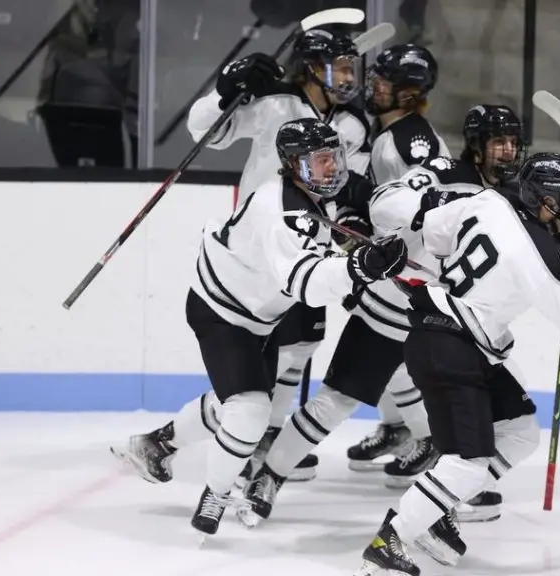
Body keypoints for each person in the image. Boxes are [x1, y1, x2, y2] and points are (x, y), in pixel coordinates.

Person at [235, 103, 528, 528]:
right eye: (497, 142)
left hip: (454, 320)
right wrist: (434, 209)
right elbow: (384, 202)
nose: (506, 151)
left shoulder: (512, 195)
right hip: (395, 305)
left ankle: (462, 485)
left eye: (513, 142)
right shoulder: (445, 171)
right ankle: (269, 476)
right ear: (477, 147)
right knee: (335, 402)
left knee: (470, 409)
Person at [112, 118, 408, 538]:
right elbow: (305, 283)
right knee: (250, 411)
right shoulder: (280, 208)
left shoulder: (310, 193)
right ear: (292, 165)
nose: (332, 168)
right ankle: (214, 496)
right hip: (224, 313)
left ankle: (157, 443)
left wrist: (355, 232)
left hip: (257, 318)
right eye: (319, 160)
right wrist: (359, 267)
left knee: (238, 401)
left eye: (335, 157)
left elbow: (342, 209)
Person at [354, 152, 560, 575]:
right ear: (544, 200)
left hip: (450, 341)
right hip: (451, 349)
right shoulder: (540, 255)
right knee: (467, 463)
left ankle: (435, 506)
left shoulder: (487, 201)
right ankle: (390, 541)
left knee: (519, 432)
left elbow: (435, 236)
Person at [178, 27, 373, 484]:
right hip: (261, 256)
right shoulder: (274, 104)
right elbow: (207, 131)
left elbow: (348, 188)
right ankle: (237, 435)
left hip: (311, 255)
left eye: (351, 68)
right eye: (340, 67)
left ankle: (262, 433)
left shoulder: (352, 125)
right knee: (264, 354)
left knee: (301, 345)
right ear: (312, 69)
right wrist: (226, 88)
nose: (348, 77)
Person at [337, 43, 451, 482]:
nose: (372, 88)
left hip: (412, 268)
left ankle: (434, 440)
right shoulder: (388, 132)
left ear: (407, 93)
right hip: (390, 262)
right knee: (393, 354)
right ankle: (398, 428)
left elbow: (422, 206)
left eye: (382, 83)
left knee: (395, 353)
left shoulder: (410, 138)